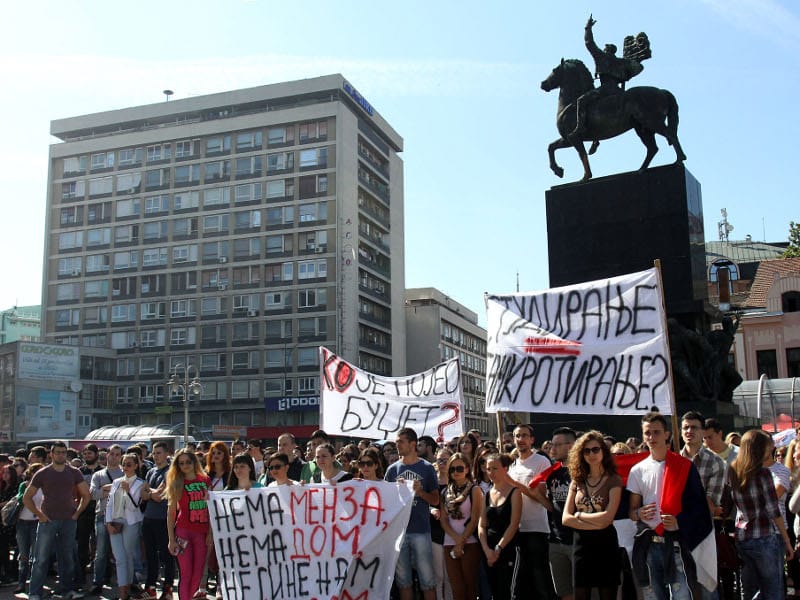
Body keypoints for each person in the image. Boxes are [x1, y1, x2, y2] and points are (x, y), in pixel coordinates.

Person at [627, 412, 714, 600]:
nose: (651, 437)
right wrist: (639, 512)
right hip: (649, 544)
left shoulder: (684, 466)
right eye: (647, 433)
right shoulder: (637, 470)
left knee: (682, 595)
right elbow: (632, 512)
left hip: (676, 543)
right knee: (654, 597)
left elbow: (699, 507)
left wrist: (679, 521)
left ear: (667, 434)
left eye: (656, 432)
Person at [22, 440, 91, 600]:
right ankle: (34, 593)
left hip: (68, 521)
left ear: (66, 454)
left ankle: (66, 591)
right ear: (51, 454)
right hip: (48, 521)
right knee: (41, 559)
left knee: (67, 558)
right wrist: (39, 515)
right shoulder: (42, 473)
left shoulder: (74, 472)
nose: (60, 455)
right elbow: (27, 497)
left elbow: (86, 496)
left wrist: (76, 514)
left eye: (63, 452)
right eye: (57, 452)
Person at [730, 429, 793, 599]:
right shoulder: (763, 473)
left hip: (743, 536)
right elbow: (774, 510)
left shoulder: (734, 469)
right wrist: (786, 540)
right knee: (773, 589)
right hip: (764, 536)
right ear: (759, 449)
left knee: (750, 587)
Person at [562, 431, 623, 600]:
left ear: (604, 451)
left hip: (606, 545)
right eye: (586, 451)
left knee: (607, 595)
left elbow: (608, 519)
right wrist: (595, 520)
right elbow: (566, 518)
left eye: (595, 449)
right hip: (581, 546)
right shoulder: (577, 481)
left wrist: (579, 515)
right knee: (581, 594)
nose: (591, 454)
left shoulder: (614, 479)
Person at [385, 427, 440, 600]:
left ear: (412, 444)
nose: (397, 445)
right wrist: (396, 491)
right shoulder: (392, 470)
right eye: (396, 442)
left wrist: (420, 492)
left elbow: (436, 500)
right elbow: (386, 502)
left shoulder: (427, 468)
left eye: (400, 441)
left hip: (421, 531)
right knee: (403, 581)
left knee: (427, 580)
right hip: (399, 533)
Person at [571, 14, 644, 138]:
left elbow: (589, 43)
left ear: (606, 50)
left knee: (581, 101)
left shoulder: (602, 57)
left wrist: (588, 29)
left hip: (606, 89)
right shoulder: (621, 62)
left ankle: (580, 127)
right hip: (618, 90)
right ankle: (595, 139)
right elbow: (637, 68)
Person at [507, 424, 555, 598]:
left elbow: (542, 498)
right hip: (516, 528)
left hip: (536, 529)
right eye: (517, 436)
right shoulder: (512, 466)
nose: (521, 439)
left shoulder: (541, 462)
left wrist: (515, 484)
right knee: (522, 581)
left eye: (524, 435)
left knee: (540, 579)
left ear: (532, 439)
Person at [166, 450, 211, 600]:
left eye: (188, 462)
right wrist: (171, 540)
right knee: (186, 574)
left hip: (202, 533)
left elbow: (211, 509)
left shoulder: (205, 480)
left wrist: (210, 533)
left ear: (194, 462)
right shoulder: (176, 482)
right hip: (183, 532)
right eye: (181, 463)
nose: (185, 465)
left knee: (198, 574)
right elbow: (171, 513)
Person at [478, 454, 522, 600]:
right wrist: (487, 550)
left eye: (495, 468)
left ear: (505, 469)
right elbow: (482, 525)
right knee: (494, 591)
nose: (491, 473)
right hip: (488, 551)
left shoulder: (514, 492)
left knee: (509, 592)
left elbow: (514, 523)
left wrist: (498, 548)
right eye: (488, 469)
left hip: (508, 549)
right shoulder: (486, 495)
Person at [440, 453, 483, 600]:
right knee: (456, 588)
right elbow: (444, 520)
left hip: (470, 542)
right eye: (452, 469)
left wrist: (462, 540)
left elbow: (475, 518)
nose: (456, 472)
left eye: (459, 468)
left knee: (470, 587)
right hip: (450, 542)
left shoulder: (475, 490)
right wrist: (456, 539)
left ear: (467, 469)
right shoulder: (445, 492)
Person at [106, 453, 148, 600]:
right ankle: (123, 593)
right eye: (123, 464)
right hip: (115, 521)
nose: (125, 468)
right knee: (119, 558)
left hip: (131, 523)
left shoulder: (140, 483)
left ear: (136, 466)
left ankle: (127, 589)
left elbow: (134, 506)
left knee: (128, 556)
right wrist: (108, 522)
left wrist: (128, 491)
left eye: (129, 464)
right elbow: (110, 503)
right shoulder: (116, 482)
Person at [545, 427, 577, 600]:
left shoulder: (583, 473)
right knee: (565, 592)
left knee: (585, 591)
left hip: (578, 541)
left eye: (557, 445)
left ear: (571, 446)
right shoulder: (552, 475)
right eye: (552, 444)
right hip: (556, 541)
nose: (553, 449)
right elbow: (552, 506)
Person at [142, 441, 174, 600]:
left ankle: (168, 588)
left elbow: (159, 495)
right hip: (148, 517)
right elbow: (144, 494)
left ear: (167, 453)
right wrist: (150, 493)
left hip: (163, 518)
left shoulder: (171, 471)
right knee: (150, 555)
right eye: (154, 453)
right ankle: (151, 587)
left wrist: (150, 493)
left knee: (166, 556)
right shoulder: (150, 471)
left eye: (159, 453)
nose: (155, 456)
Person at [89, 444, 123, 595]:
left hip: (120, 516)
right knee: (101, 552)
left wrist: (105, 489)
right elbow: (93, 494)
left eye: (117, 454)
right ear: (107, 455)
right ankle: (98, 582)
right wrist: (108, 489)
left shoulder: (125, 473)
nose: (114, 457)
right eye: (112, 454)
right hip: (102, 515)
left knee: (122, 551)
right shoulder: (98, 475)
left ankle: (126, 582)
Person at [15, 462, 43, 595]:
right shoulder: (24, 485)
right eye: (36, 471)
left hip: (37, 522)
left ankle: (35, 584)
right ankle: (21, 582)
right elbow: (20, 499)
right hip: (22, 523)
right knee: (23, 555)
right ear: (31, 473)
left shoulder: (45, 487)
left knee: (36, 555)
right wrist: (27, 492)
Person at [430, 446, 453, 600]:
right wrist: (431, 509)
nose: (443, 463)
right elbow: (423, 501)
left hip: (454, 533)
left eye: (446, 460)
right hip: (435, 533)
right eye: (440, 460)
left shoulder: (457, 480)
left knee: (450, 577)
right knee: (438, 576)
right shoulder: (431, 481)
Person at [0, 463, 20, 584]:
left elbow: (14, 501)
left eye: (7, 473)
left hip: (10, 522)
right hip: (2, 521)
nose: (4, 475)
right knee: (2, 549)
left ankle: (10, 573)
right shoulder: (2, 487)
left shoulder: (16, 486)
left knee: (7, 547)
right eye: (3, 473)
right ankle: (5, 573)